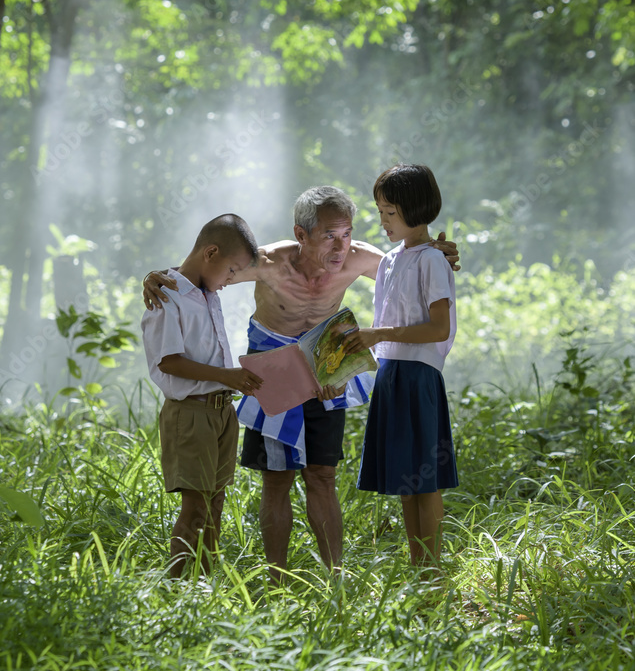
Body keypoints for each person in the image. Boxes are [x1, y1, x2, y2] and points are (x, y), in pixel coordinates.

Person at [143, 185, 460, 582]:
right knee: (276, 479)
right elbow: (207, 266)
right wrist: (158, 277)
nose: (340, 246)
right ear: (301, 234)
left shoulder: (362, 257)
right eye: (329, 235)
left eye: (346, 234)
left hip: (326, 367)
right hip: (273, 371)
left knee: (322, 476)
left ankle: (335, 578)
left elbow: (410, 266)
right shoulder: (269, 262)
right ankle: (276, 579)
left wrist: (440, 252)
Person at [342, 165, 458, 570]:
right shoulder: (391, 261)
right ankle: (417, 567)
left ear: (416, 208)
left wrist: (377, 334)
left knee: (425, 482)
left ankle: (432, 570)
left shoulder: (432, 261)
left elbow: (438, 327)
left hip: (419, 376)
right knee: (407, 483)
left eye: (390, 212)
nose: (383, 221)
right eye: (380, 212)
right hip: (390, 373)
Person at [141, 213, 263, 578]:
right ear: (211, 252)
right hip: (190, 413)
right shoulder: (167, 294)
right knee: (195, 508)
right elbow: (170, 362)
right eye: (231, 271)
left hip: (222, 412)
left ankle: (204, 587)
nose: (230, 281)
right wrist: (227, 376)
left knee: (216, 504)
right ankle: (176, 589)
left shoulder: (208, 295)